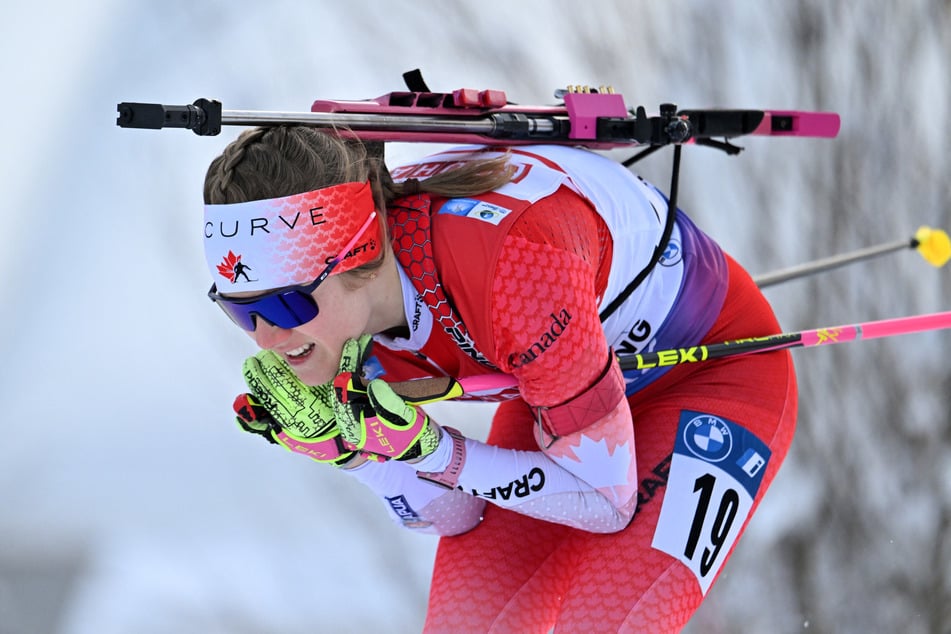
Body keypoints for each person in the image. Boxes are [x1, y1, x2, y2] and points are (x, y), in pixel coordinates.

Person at [202, 126, 798, 633]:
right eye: (237, 309)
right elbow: (456, 515)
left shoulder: (511, 268)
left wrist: (432, 447)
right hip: (555, 401)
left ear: (359, 255)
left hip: (708, 378)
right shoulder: (340, 340)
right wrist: (359, 457)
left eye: (283, 306)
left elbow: (605, 501)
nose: (265, 338)